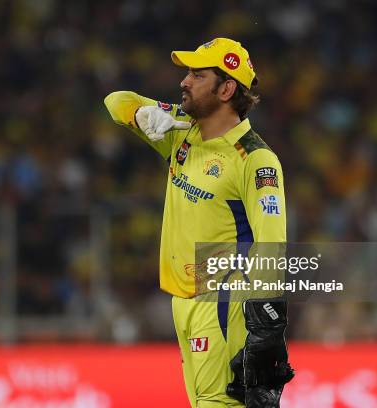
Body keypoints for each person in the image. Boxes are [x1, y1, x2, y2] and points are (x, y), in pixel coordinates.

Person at [104, 38, 293, 407]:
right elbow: (115, 102)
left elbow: (272, 245)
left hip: (222, 299)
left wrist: (266, 327)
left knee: (219, 404)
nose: (184, 82)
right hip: (183, 300)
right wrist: (144, 114)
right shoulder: (181, 131)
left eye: (197, 74)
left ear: (226, 88)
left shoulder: (255, 160)